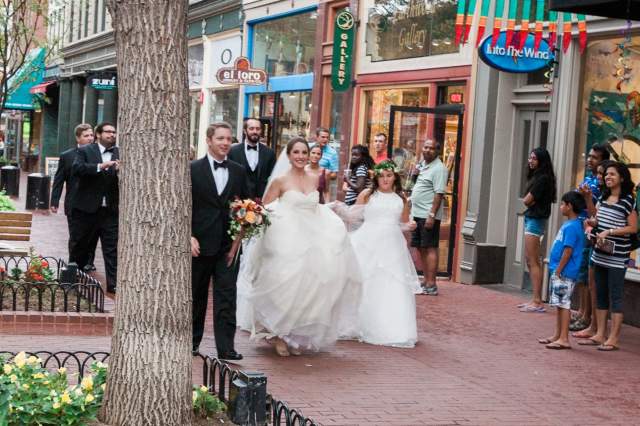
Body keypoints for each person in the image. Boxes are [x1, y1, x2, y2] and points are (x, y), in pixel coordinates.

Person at [238, 137, 362, 356]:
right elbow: (264, 208)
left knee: (310, 284)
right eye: (296, 152)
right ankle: (276, 334)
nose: (301, 156)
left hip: (312, 237)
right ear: (288, 155)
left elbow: (317, 206)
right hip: (285, 236)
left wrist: (332, 223)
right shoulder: (280, 181)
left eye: (304, 152)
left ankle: (292, 333)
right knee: (285, 282)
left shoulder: (315, 177)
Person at [190, 122, 249, 360]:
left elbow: (246, 208)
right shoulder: (192, 169)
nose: (225, 143)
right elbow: (181, 207)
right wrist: (188, 236)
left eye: (228, 139)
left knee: (227, 296)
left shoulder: (238, 171)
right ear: (209, 140)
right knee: (196, 295)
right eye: (220, 139)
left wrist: (237, 241)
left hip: (228, 247)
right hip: (199, 244)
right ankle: (191, 342)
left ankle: (226, 348)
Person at [350, 160, 419, 347]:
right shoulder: (367, 195)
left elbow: (402, 223)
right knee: (366, 280)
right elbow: (353, 218)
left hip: (392, 245)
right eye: (382, 176)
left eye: (389, 175)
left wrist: (409, 225)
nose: (385, 179)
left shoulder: (401, 199)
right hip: (368, 242)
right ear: (376, 178)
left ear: (395, 177)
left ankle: (392, 327)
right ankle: (360, 323)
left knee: (391, 283)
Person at [579, 161, 636, 351]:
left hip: (617, 257)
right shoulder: (603, 197)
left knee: (616, 296)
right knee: (601, 295)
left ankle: (613, 338)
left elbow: (633, 228)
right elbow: (596, 217)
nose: (607, 177)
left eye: (612, 174)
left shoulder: (628, 201)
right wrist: (590, 213)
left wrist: (609, 231)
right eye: (606, 175)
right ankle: (600, 334)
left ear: (622, 178)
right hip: (599, 253)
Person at [70, 122, 119, 294]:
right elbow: (77, 169)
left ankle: (113, 284)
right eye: (108, 132)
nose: (112, 135)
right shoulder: (85, 151)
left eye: (114, 132)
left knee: (111, 248)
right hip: (87, 210)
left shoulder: (119, 153)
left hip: (110, 211)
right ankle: (72, 280)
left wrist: (120, 172)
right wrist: (100, 167)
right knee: (80, 246)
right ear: (98, 134)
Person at [538, 191, 586, 350]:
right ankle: (558, 334)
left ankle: (564, 338)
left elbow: (568, 251)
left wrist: (558, 270)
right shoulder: (570, 224)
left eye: (563, 204)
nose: (561, 207)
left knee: (564, 304)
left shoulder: (572, 226)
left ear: (569, 206)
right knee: (559, 304)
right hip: (561, 270)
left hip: (565, 272)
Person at [572, 144, 610, 332]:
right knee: (581, 274)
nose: (589, 160)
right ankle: (581, 310)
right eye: (589, 156)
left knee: (588, 277)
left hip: (592, 234)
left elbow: (595, 212)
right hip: (580, 230)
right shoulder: (588, 179)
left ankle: (587, 316)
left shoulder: (603, 186)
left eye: (594, 157)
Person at [50, 124, 99, 270]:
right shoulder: (67, 156)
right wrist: (54, 200)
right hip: (73, 203)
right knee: (76, 235)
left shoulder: (98, 155)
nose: (90, 138)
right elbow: (59, 180)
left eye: (92, 135)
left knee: (92, 234)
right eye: (86, 136)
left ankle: (89, 262)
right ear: (78, 138)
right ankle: (74, 263)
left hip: (93, 201)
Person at [519, 147, 557, 312]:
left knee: (533, 260)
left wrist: (530, 201)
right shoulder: (538, 177)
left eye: (534, 158)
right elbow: (529, 200)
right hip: (532, 218)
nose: (530, 161)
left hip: (535, 220)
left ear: (542, 160)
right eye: (530, 157)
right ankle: (535, 299)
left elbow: (527, 200)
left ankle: (537, 301)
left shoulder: (543, 178)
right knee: (530, 259)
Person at [410, 139, 449, 296]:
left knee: (430, 247)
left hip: (428, 215)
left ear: (437, 151)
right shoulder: (423, 165)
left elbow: (439, 194)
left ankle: (432, 284)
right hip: (417, 214)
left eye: (431, 148)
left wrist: (431, 215)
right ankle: (426, 280)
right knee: (420, 247)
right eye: (425, 147)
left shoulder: (439, 168)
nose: (427, 150)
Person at [228, 118, 276, 199]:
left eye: (258, 129)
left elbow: (273, 178)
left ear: (261, 131)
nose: (255, 131)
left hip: (261, 202)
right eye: (251, 128)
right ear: (244, 131)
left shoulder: (269, 153)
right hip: (238, 202)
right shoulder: (233, 151)